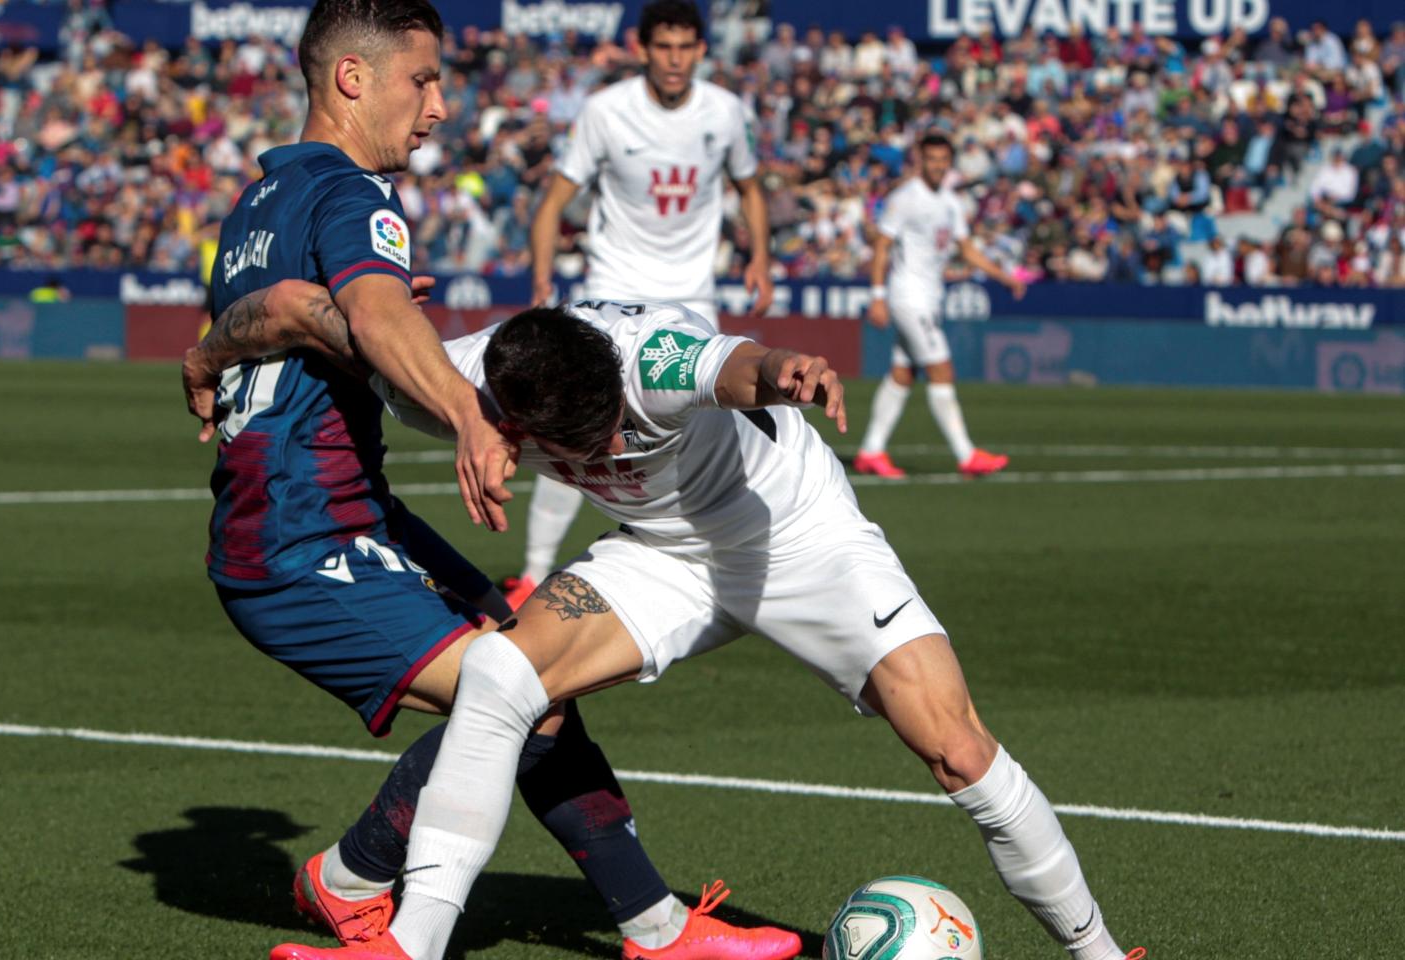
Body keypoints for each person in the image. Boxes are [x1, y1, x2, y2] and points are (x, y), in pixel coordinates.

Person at [180, 2, 794, 957]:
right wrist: (470, 414)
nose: (438, 107)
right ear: (353, 78)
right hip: (302, 541)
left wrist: (209, 349)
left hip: (340, 517)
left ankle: (652, 924)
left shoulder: (259, 201)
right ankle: (354, 878)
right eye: (421, 81)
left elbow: (288, 308)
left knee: (532, 674)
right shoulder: (356, 196)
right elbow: (371, 316)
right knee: (518, 694)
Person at [252, 299, 1139, 960]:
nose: (603, 447)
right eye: (580, 445)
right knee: (499, 674)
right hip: (664, 559)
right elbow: (345, 330)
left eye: (608, 429)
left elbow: (743, 363)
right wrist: (228, 348)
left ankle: (1099, 955)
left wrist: (790, 367)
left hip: (799, 538)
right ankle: (412, 947)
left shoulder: (653, 361)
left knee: (957, 748)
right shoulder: (466, 378)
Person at [513, 0, 773, 605]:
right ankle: (531, 571)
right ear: (642, 48)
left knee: (710, 430)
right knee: (573, 419)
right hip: (614, 287)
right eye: (664, 47)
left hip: (691, 294)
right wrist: (542, 275)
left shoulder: (727, 112)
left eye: (686, 47)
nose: (675, 59)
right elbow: (553, 202)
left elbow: (751, 188)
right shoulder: (606, 112)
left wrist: (760, 256)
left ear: (702, 50)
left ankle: (704, 559)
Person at [852, 132, 1024, 481]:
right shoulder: (905, 199)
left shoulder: (950, 202)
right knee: (941, 369)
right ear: (920, 160)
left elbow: (968, 250)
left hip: (929, 297)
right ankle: (966, 455)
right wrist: (877, 295)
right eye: (931, 159)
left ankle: (871, 451)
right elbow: (882, 246)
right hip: (907, 296)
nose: (938, 165)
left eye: (943, 160)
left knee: (903, 373)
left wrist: (1004, 277)